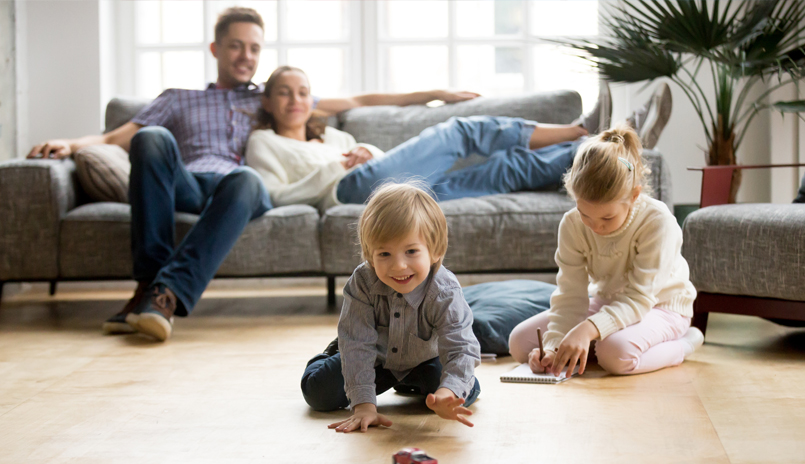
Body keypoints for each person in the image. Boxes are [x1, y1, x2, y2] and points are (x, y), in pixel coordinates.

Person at [27, 8, 478, 342]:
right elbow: (119, 135)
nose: (246, 55)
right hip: (188, 182)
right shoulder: (177, 97)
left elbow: (361, 99)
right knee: (151, 139)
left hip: (240, 190)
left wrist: (434, 93)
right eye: (236, 46)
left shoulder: (269, 97)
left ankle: (162, 296)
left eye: (254, 48)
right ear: (216, 49)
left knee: (246, 179)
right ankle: (150, 286)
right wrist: (70, 144)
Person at [246, 66, 601, 211]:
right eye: (283, 93)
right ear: (267, 100)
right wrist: (336, 168)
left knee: (503, 171)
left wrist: (366, 151)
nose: (295, 100)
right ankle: (579, 128)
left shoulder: (335, 136)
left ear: (312, 100)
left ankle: (593, 148)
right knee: (459, 131)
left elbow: (386, 166)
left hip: (392, 195)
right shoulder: (264, 142)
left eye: (303, 92)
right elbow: (272, 196)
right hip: (348, 193)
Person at [508, 125, 704, 377]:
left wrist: (587, 330)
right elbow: (570, 295)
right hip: (608, 303)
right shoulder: (572, 223)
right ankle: (590, 345)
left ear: (634, 196)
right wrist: (553, 347)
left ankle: (685, 343)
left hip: (661, 306)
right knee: (519, 343)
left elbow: (639, 298)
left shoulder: (658, 222)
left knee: (614, 355)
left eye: (607, 218)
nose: (596, 227)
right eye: (585, 214)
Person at [300, 182, 481, 433]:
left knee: (463, 393)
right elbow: (358, 345)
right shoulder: (363, 282)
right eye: (384, 254)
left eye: (411, 251)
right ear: (369, 255)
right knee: (318, 393)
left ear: (435, 251)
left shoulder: (445, 290)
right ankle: (333, 351)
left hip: (425, 358)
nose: (398, 266)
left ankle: (413, 383)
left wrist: (446, 392)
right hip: (375, 357)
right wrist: (363, 405)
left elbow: (461, 348)